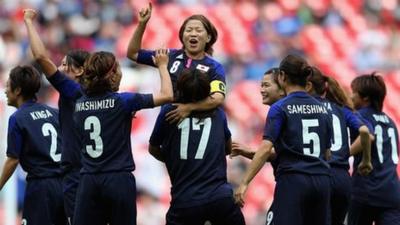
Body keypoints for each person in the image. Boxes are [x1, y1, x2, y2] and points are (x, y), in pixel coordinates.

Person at [49, 49, 173, 225]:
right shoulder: (124, 101)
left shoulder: (79, 104)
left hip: (88, 180)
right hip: (118, 178)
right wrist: (162, 66)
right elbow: (167, 95)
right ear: (112, 74)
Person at [234, 55, 333, 225]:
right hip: (322, 181)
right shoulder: (324, 108)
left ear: (282, 77)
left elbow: (266, 148)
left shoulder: (280, 108)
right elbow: (327, 153)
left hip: (294, 180)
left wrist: (244, 183)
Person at [148, 68, 245, 225]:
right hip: (219, 197)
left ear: (179, 88)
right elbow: (227, 149)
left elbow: (153, 149)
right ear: (207, 91)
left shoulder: (169, 112)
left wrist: (175, 161)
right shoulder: (218, 114)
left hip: (185, 200)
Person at [23, 8, 90, 223]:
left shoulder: (72, 91)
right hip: (90, 171)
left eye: (64, 64)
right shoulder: (95, 95)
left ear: (79, 71)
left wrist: (29, 23)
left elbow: (41, 57)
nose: (59, 68)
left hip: (76, 174)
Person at [127, 3, 225, 124]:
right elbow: (133, 54)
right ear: (182, 36)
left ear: (208, 38)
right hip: (168, 123)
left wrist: (189, 108)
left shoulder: (214, 67)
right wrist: (142, 24)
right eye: (188, 30)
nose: (193, 33)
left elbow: (218, 98)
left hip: (197, 126)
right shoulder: (168, 56)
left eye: (198, 30)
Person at [0, 65, 67, 225]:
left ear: (18, 91)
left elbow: (13, 159)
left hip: (41, 187)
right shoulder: (54, 113)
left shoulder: (17, 118)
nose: (5, 90)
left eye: (8, 86)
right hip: (64, 184)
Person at [307, 67, 372, 225]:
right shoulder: (341, 109)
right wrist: (350, 155)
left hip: (320, 175)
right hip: (343, 179)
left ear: (308, 86)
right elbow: (367, 133)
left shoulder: (306, 107)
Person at [347, 73, 400, 225]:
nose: (350, 96)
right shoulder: (390, 122)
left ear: (365, 98)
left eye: (353, 92)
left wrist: (345, 154)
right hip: (391, 192)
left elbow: (368, 135)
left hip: (365, 192)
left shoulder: (358, 116)